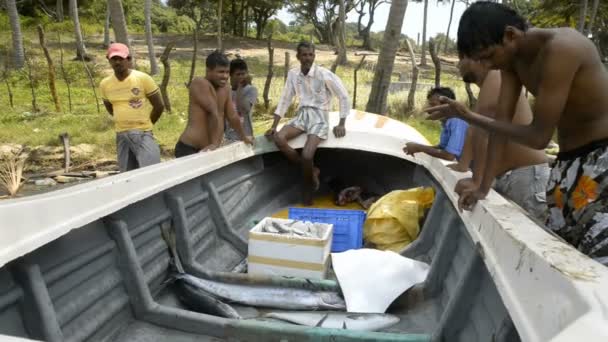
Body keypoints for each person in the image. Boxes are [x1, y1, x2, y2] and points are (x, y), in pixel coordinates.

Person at [427, 1, 608, 264]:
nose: (487, 65)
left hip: (601, 161)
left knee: (597, 252)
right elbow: (500, 126)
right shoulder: (513, 61)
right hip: (568, 163)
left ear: (511, 35)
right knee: (564, 250)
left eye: (488, 56)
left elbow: (539, 137)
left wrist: (467, 116)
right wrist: (482, 186)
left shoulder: (562, 49)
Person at [452, 57, 550, 222]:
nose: (458, 64)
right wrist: (463, 166)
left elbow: (484, 130)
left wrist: (478, 181)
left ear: (478, 57)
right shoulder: (487, 87)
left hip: (526, 177)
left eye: (463, 57)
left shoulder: (496, 74)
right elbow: (473, 129)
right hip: (512, 177)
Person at [265, 42, 350, 205]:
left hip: (320, 115)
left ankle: (308, 190)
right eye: (304, 55)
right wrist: (274, 126)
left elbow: (343, 96)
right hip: (302, 115)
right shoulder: (293, 74)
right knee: (279, 138)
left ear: (314, 56)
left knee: (307, 155)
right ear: (298, 57)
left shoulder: (324, 74)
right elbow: (285, 99)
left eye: (310, 55)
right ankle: (313, 172)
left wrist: (341, 123)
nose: (308, 58)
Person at [175, 51, 253, 158]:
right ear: (208, 70)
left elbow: (232, 116)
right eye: (220, 72)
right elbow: (213, 112)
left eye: (227, 72)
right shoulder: (200, 83)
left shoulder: (225, 88)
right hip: (190, 148)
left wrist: (243, 137)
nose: (225, 76)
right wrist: (215, 144)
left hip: (209, 149)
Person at [100, 43, 164, 172]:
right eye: (114, 59)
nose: (117, 62)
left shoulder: (143, 78)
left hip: (143, 133)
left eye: (121, 58)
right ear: (108, 59)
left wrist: (147, 124)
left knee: (152, 171)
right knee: (128, 174)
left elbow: (159, 106)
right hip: (121, 134)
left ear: (128, 59)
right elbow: (110, 108)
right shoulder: (105, 84)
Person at [403, 87, 468, 162]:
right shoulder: (447, 122)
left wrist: (419, 147)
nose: (429, 109)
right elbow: (442, 148)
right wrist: (417, 147)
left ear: (447, 105)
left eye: (433, 105)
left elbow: (449, 156)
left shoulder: (457, 122)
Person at [224, 58, 258, 142]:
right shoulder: (225, 91)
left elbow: (245, 109)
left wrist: (240, 88)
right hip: (228, 136)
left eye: (243, 74)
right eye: (238, 74)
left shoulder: (251, 90)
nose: (241, 77)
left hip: (246, 135)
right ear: (230, 75)